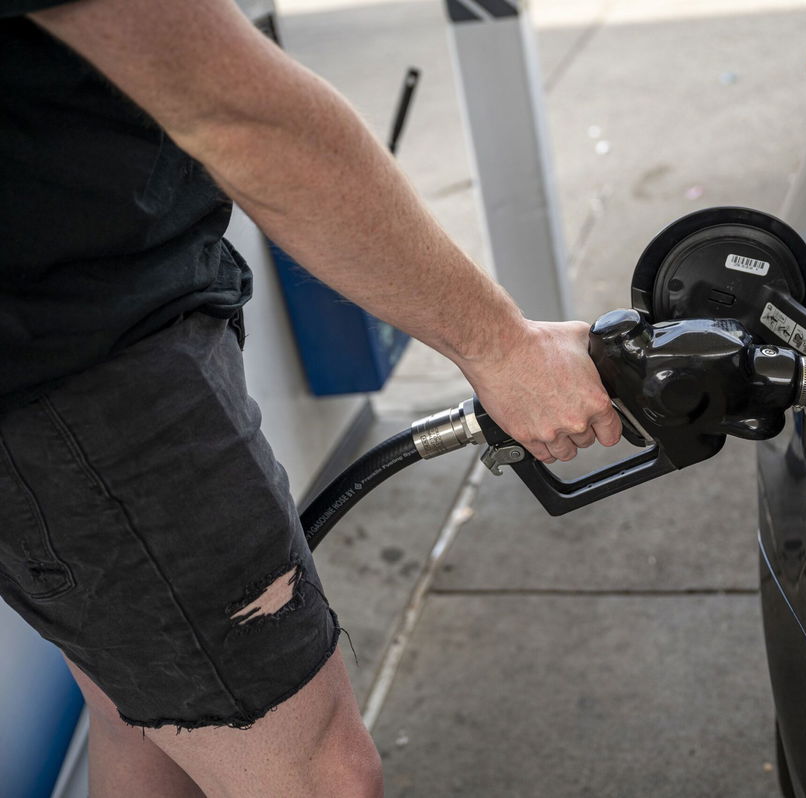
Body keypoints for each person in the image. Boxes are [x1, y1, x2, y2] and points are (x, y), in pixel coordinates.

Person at [0, 0, 622, 794]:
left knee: (146, 716)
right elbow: (235, 112)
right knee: (322, 773)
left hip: (82, 338)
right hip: (85, 380)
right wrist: (501, 347)